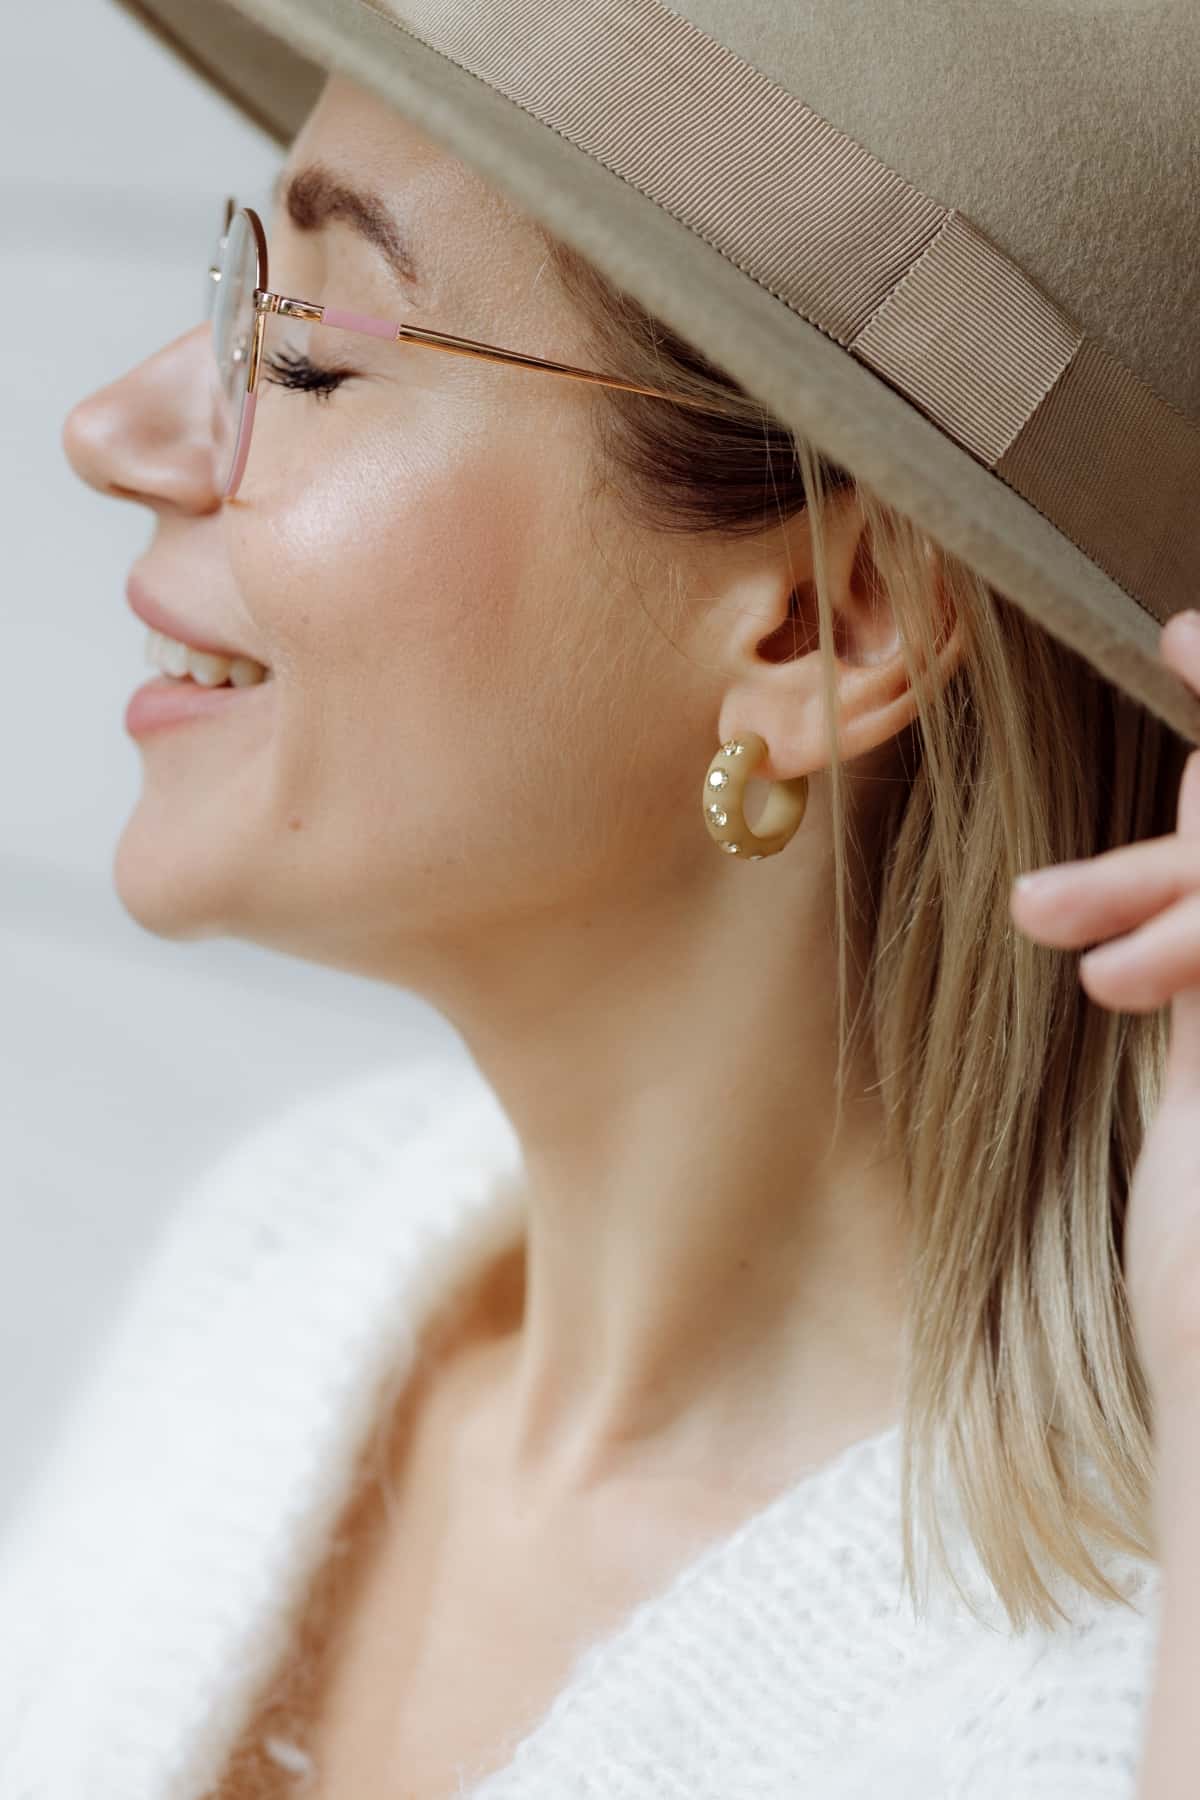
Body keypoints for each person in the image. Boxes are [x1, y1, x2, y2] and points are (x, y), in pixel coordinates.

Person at [5, 1, 1200, 1795]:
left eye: (310, 349)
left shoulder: (1122, 1691)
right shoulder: (280, 1250)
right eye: (238, 284)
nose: (115, 427)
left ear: (821, 626)